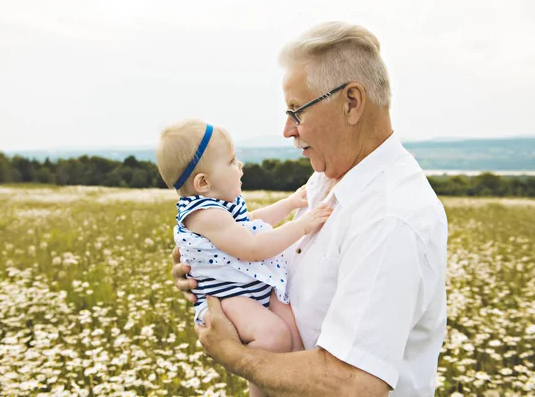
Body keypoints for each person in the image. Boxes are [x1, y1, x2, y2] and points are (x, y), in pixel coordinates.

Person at [172, 21, 448, 397]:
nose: (287, 129)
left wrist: (234, 355)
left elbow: (351, 383)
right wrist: (213, 263)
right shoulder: (328, 179)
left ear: (351, 102)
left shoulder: (390, 217)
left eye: (296, 110)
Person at [156, 119, 333, 397]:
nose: (240, 166)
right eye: (231, 161)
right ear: (203, 182)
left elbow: (251, 224)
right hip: (226, 300)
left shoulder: (220, 207)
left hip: (248, 291)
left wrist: (288, 205)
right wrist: (302, 225)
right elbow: (252, 245)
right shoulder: (204, 214)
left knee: (294, 335)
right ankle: (259, 391)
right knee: (274, 336)